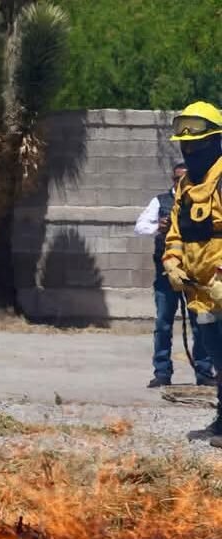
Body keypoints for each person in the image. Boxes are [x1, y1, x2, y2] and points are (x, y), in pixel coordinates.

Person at [159, 100, 222, 446]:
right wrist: (172, 262)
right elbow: (176, 232)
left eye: (196, 144)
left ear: (214, 141)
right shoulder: (185, 186)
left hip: (219, 284)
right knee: (216, 356)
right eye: (185, 145)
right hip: (200, 291)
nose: (190, 150)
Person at [134, 162, 215, 387]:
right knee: (163, 323)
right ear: (173, 179)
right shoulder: (160, 201)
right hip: (166, 274)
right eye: (178, 178)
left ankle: (204, 372)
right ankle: (162, 372)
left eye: (186, 178)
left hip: (194, 274)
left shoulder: (203, 199)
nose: (182, 182)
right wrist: (157, 227)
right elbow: (140, 226)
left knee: (201, 323)